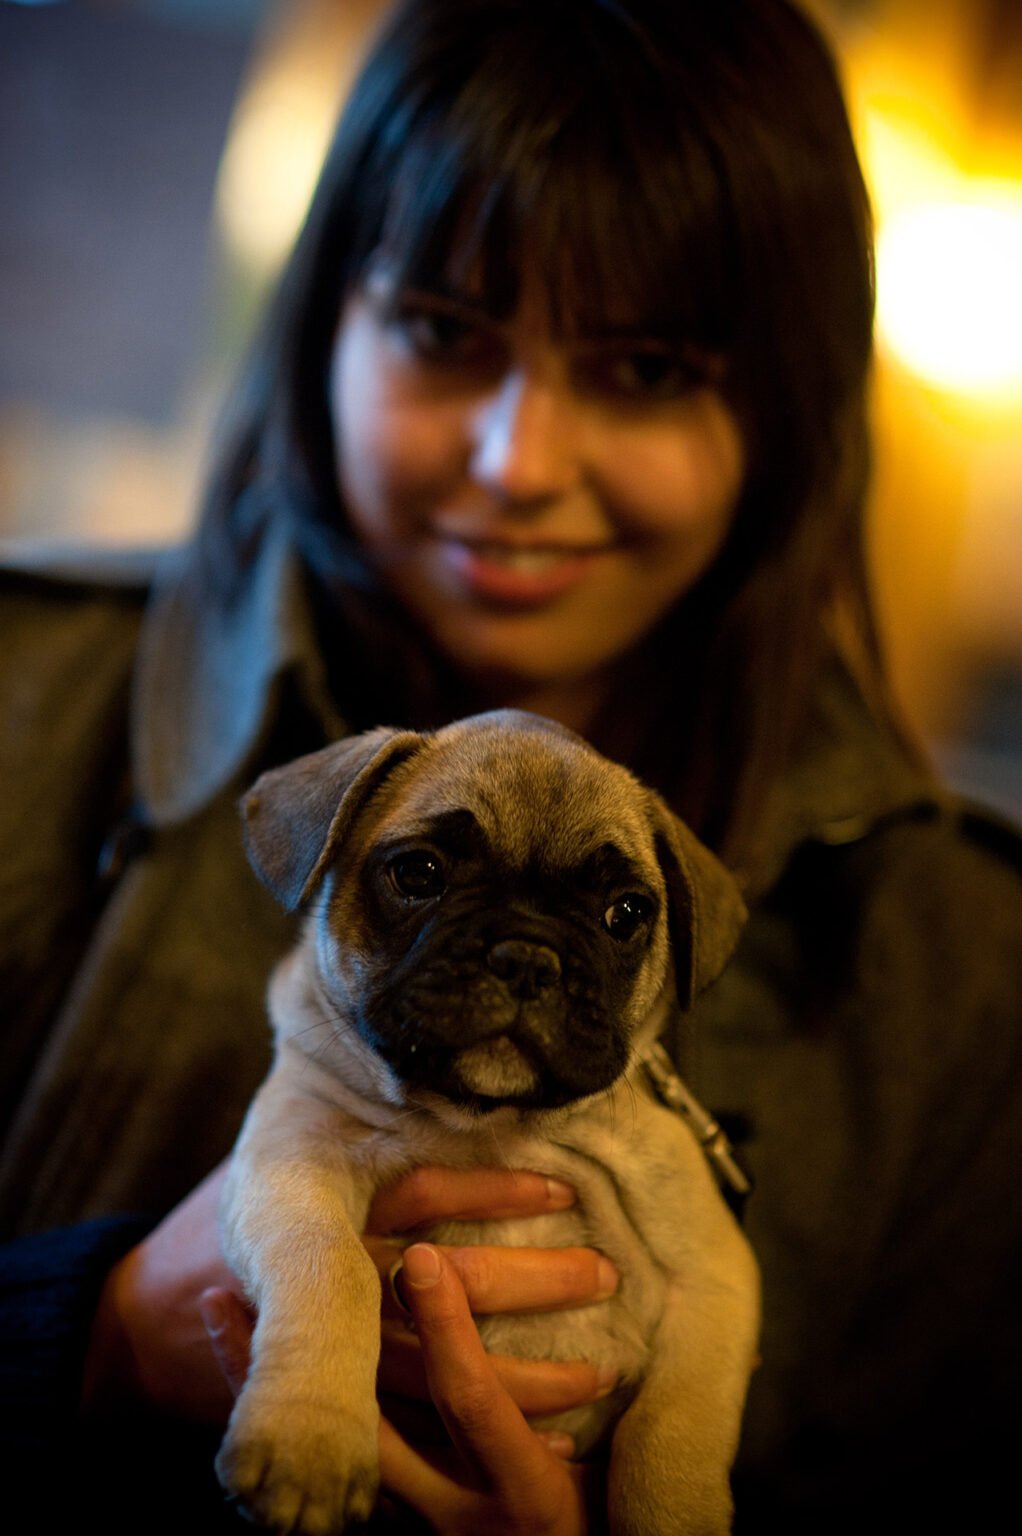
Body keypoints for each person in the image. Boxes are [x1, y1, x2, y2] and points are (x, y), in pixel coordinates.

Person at [1, 0, 1020, 1530]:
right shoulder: (28, 695)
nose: (519, 462)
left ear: (790, 415)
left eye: (644, 368)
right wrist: (91, 1331)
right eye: (442, 333)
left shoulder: (966, 961)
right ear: (321, 320)